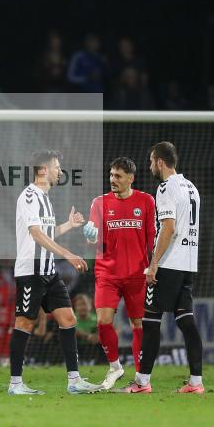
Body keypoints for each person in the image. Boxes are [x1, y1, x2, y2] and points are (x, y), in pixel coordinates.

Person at [8, 149, 99, 395]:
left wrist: (69, 225)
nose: (60, 171)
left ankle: (74, 380)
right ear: (44, 170)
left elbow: (46, 234)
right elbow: (36, 235)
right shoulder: (29, 196)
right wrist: (68, 254)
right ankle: (15, 384)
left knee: (68, 319)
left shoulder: (46, 199)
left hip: (49, 271)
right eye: (57, 167)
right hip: (31, 271)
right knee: (25, 323)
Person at [117, 142, 204, 394]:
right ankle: (196, 383)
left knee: (150, 320)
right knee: (186, 321)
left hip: (169, 263)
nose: (149, 166)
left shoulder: (166, 187)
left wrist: (153, 265)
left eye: (151, 161)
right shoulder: (191, 187)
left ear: (161, 162)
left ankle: (142, 382)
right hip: (189, 263)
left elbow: (168, 227)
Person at [83, 157, 156, 390]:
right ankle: (115, 367)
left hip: (137, 274)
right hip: (108, 273)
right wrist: (90, 235)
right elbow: (91, 236)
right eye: (111, 175)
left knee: (138, 325)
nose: (113, 180)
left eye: (118, 176)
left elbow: (151, 238)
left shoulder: (146, 201)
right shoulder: (99, 203)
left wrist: (154, 266)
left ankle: (141, 378)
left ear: (130, 178)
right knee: (104, 322)